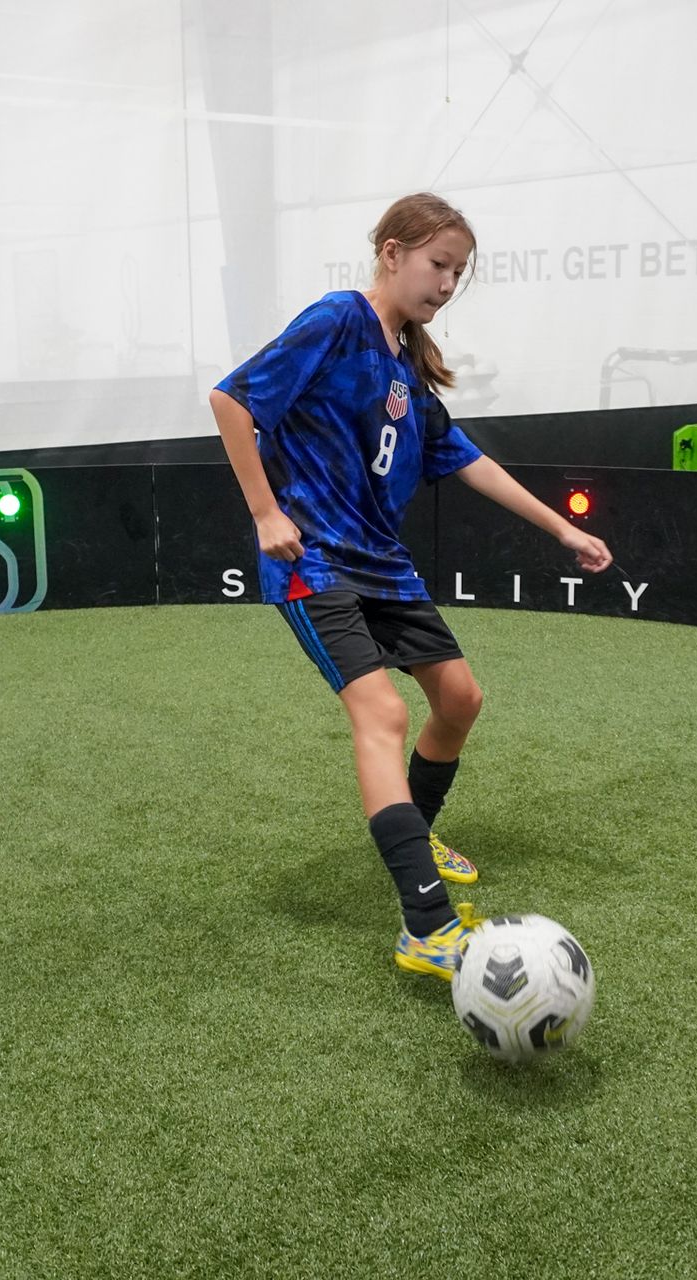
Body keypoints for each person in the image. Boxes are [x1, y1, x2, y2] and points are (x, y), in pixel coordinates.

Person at [208, 192, 614, 980]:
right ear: (391, 252)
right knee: (383, 711)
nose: (447, 283)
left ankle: (411, 830)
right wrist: (265, 513)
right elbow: (232, 399)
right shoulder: (337, 320)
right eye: (438, 265)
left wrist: (561, 528)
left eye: (458, 272)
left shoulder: (406, 365)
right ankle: (424, 925)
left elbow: (465, 458)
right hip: (314, 560)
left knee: (459, 700)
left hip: (382, 562)